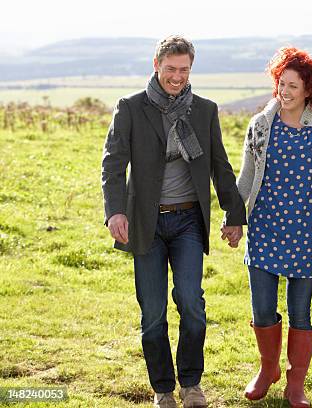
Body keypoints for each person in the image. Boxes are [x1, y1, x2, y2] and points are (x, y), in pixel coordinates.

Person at [101, 35, 246, 408]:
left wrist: (234, 214)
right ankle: (163, 388)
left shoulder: (204, 110)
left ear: (190, 69)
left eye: (184, 70)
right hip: (145, 223)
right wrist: (115, 211)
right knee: (153, 312)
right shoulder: (131, 108)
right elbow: (113, 164)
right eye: (171, 69)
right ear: (156, 65)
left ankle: (192, 384)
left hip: (187, 223)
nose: (177, 77)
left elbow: (219, 165)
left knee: (191, 303)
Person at [236, 46, 312, 408]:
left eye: (293, 86)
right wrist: (233, 218)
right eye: (281, 84)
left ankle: (295, 384)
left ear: (308, 91)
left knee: (301, 311)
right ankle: (267, 369)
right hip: (264, 226)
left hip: (306, 231)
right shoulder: (260, 125)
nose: (285, 92)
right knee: (262, 308)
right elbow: (246, 177)